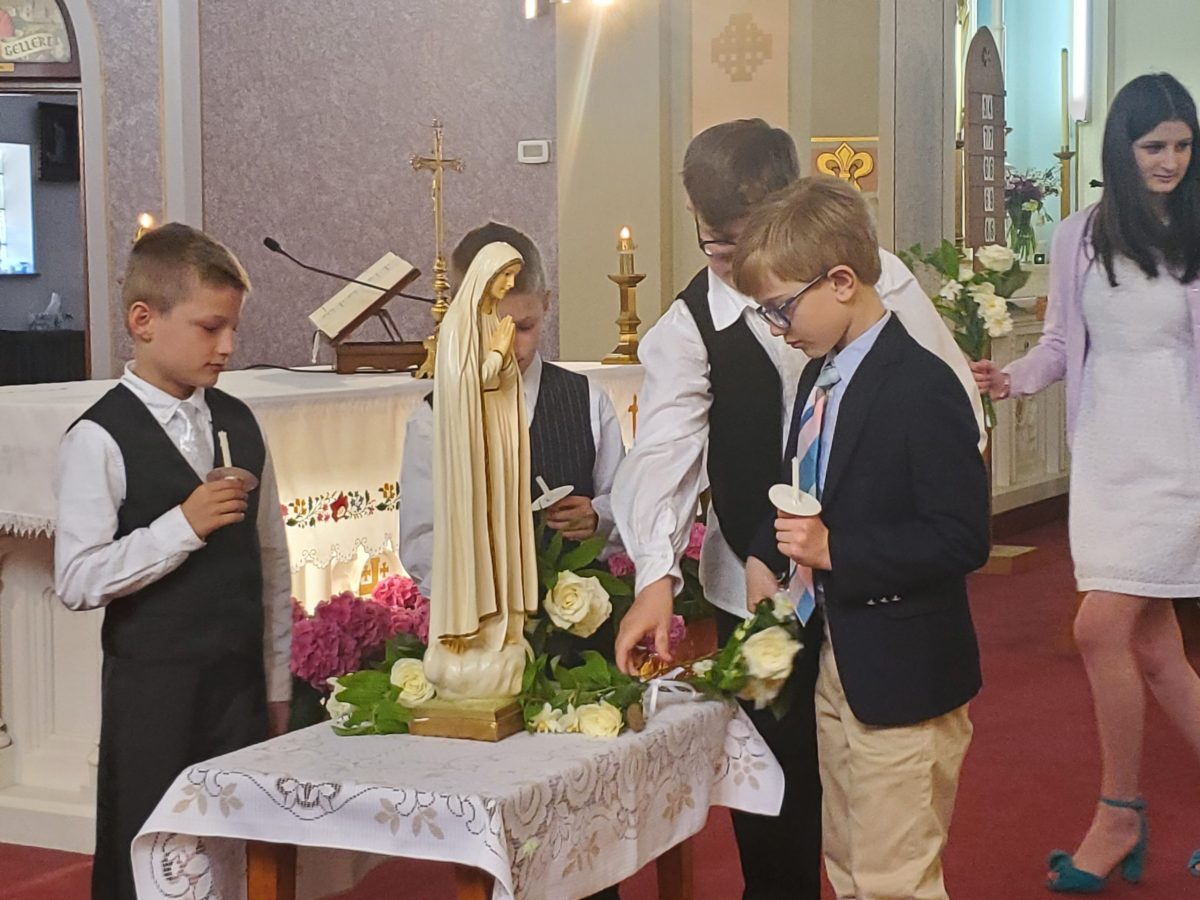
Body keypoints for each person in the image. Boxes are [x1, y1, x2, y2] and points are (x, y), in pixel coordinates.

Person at [611, 118, 984, 899]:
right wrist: (666, 573)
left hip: (879, 610)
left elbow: (954, 477)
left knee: (886, 840)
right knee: (785, 810)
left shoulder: (890, 319)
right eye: (720, 249)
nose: (769, 317)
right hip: (766, 593)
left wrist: (848, 544)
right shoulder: (695, 326)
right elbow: (683, 458)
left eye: (758, 247)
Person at [972, 72, 1200, 891]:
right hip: (1105, 462)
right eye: (1153, 146)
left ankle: (1117, 812)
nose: (1170, 161)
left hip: (1181, 462)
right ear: (1121, 148)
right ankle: (1123, 818)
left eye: (1183, 146)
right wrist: (1013, 379)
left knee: (1100, 629)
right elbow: (1064, 345)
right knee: (1157, 650)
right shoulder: (1081, 235)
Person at [738, 175, 989, 900]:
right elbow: (807, 482)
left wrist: (835, 552)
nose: (778, 327)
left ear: (842, 282)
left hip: (905, 677)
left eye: (782, 307)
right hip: (839, 658)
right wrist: (763, 550)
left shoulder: (922, 386)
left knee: (894, 880)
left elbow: (961, 538)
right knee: (848, 867)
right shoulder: (819, 376)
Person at [53, 223, 292, 900]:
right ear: (144, 321)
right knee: (153, 859)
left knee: (235, 857)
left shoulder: (240, 422)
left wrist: (277, 685)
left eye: (233, 327)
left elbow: (272, 562)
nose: (228, 345)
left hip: (238, 688)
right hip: (153, 695)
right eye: (210, 327)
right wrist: (180, 528)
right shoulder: (99, 437)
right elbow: (76, 578)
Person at [399, 223, 625, 597]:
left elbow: (625, 498)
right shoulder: (432, 420)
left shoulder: (588, 401)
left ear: (546, 304)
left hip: (582, 618)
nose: (507, 347)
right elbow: (421, 538)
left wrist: (599, 517)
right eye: (491, 328)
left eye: (524, 327)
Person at [421, 241, 539, 700]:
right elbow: (465, 384)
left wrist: (501, 357)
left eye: (513, 277)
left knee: (498, 539)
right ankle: (467, 629)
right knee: (474, 539)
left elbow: (501, 385)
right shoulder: (459, 325)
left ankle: (499, 629)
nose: (508, 285)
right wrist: (498, 355)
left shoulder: (491, 320)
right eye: (504, 276)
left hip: (494, 452)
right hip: (470, 458)